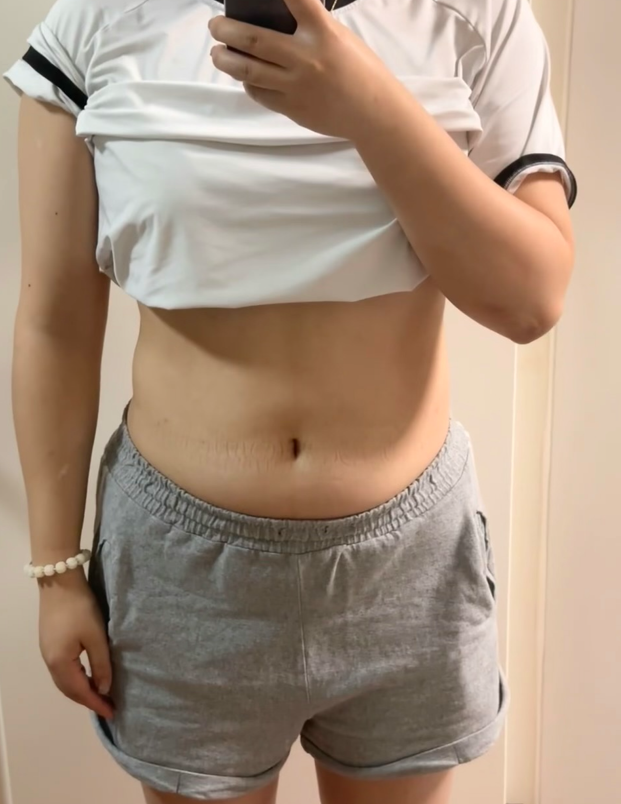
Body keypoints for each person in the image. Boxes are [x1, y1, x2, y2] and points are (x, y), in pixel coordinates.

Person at [5, 0, 576, 800]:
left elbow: (530, 301)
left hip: (406, 571)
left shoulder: (477, 16)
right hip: (182, 573)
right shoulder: (96, 20)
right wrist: (56, 573)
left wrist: (364, 103)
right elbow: (55, 323)